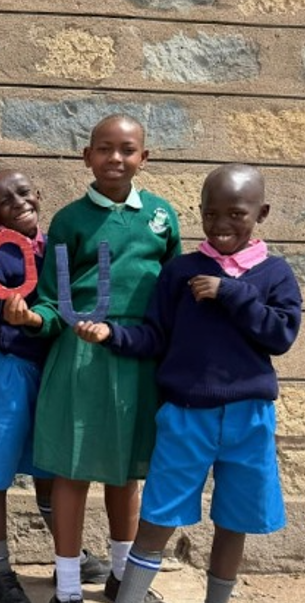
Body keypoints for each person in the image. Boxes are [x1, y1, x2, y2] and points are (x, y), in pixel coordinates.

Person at [74, 164, 302, 603]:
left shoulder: (275, 274)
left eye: (236, 214)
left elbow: (281, 336)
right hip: (186, 416)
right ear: (199, 211)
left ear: (262, 213)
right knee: (158, 516)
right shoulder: (181, 271)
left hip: (250, 418)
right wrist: (112, 334)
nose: (221, 225)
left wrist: (230, 293)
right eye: (211, 213)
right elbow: (155, 336)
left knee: (234, 521)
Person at [3, 114, 181, 603]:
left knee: (126, 473)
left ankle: (124, 579)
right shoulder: (69, 220)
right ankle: (66, 587)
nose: (115, 158)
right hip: (79, 358)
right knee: (73, 469)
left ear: (144, 158)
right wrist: (32, 318)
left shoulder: (161, 216)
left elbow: (173, 293)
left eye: (127, 149)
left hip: (136, 357)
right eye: (104, 148)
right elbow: (52, 299)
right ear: (87, 156)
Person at [0, 171, 109, 603]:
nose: (19, 203)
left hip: (50, 370)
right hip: (5, 371)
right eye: (5, 201)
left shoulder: (56, 247)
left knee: (49, 467)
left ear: (39, 194)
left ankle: (69, 559)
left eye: (24, 193)